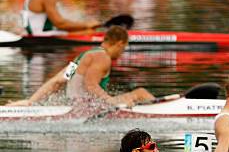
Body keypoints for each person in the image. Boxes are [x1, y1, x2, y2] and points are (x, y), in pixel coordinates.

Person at [7, 26, 154, 107]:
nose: (122, 52)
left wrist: (30, 103)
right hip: (87, 109)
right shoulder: (103, 57)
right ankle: (163, 109)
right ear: (120, 44)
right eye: (124, 48)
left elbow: (57, 81)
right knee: (141, 93)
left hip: (78, 106)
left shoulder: (84, 56)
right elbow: (90, 85)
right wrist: (113, 101)